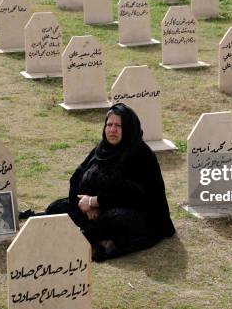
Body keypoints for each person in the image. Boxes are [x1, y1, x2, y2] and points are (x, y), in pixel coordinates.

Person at [45, 103, 176, 261]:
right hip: (92, 206)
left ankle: (94, 236)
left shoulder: (140, 154)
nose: (112, 130)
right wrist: (83, 204)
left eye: (118, 125)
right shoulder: (102, 148)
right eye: (109, 124)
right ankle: (95, 235)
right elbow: (77, 176)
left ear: (128, 128)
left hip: (136, 211)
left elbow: (133, 195)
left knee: (113, 220)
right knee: (56, 208)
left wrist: (95, 202)